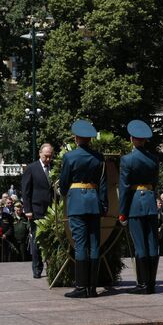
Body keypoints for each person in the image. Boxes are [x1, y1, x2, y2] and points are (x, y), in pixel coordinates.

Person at [60, 120, 107, 298]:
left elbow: (64, 182)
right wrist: (104, 205)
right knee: (94, 244)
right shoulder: (99, 158)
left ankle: (81, 287)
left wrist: (65, 192)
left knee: (80, 244)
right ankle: (92, 288)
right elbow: (103, 184)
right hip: (94, 202)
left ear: (76, 137)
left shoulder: (70, 157)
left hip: (77, 203)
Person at [119, 119, 159, 295]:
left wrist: (122, 212)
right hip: (150, 202)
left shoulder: (127, 160)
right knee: (152, 245)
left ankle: (142, 284)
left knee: (140, 246)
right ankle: (151, 284)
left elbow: (125, 187)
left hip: (135, 203)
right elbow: (155, 183)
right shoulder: (153, 159)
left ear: (131, 139)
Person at [21, 143, 54, 278]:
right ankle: (37, 268)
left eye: (50, 157)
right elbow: (25, 190)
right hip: (36, 210)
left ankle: (52, 266)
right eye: (46, 156)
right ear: (40, 154)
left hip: (51, 210)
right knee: (37, 239)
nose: (48, 159)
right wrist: (28, 210)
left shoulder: (53, 168)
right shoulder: (31, 168)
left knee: (51, 239)